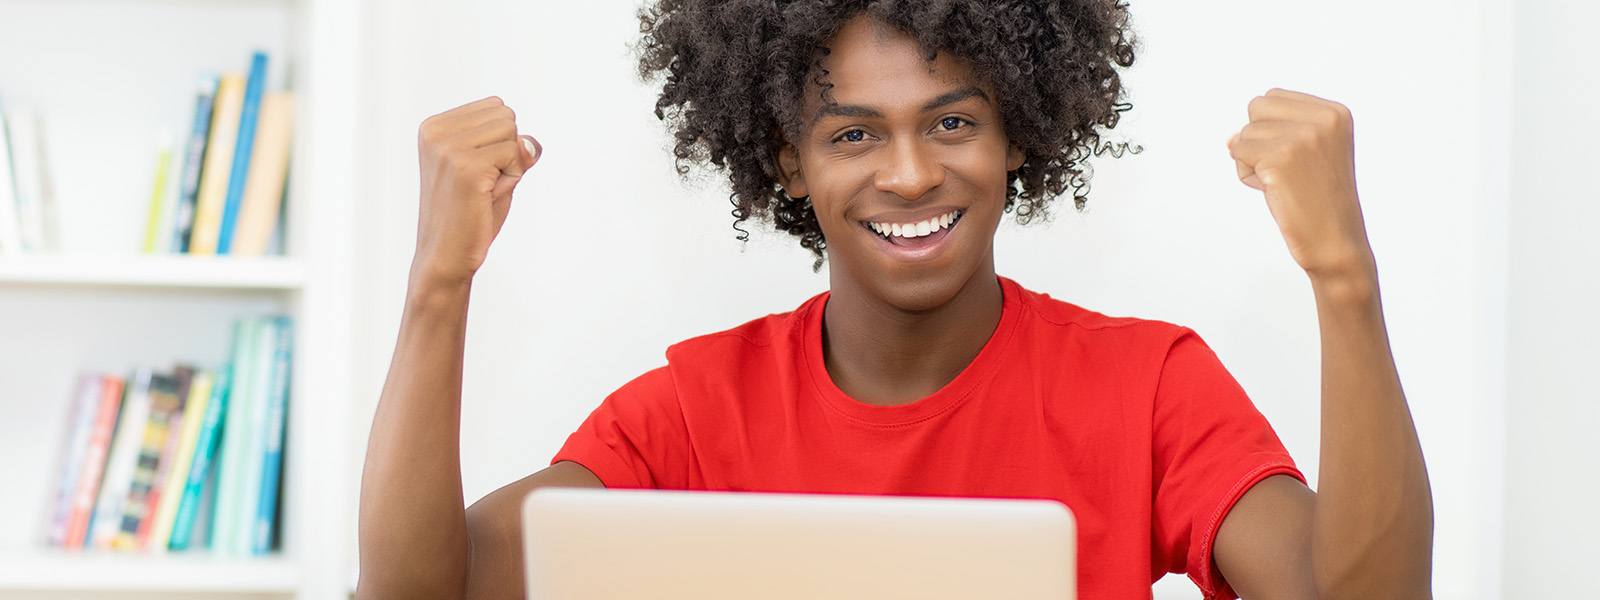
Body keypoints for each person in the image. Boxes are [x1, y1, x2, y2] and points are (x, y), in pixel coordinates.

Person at [357, 1, 1434, 599]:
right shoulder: (691, 411)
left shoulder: (1146, 385)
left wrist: (1344, 278)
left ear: (1020, 137)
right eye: (853, 133)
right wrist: (436, 284)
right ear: (788, 162)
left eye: (954, 123)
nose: (910, 173)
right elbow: (419, 594)